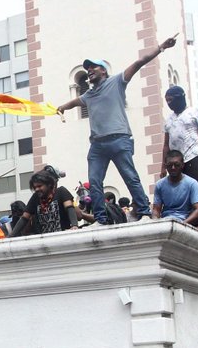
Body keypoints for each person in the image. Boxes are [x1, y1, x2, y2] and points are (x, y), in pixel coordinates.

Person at [55, 34, 178, 224]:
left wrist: (161, 47)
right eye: (87, 69)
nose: (89, 71)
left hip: (119, 139)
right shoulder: (89, 94)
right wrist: (62, 107)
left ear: (103, 71)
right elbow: (74, 102)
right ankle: (100, 219)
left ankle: (144, 212)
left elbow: (139, 62)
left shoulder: (117, 81)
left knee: (130, 177)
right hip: (97, 145)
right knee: (94, 183)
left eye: (93, 67)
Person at [161, 85, 198, 229]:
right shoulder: (168, 120)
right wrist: (163, 166)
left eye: (171, 100)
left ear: (180, 97)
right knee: (178, 191)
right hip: (175, 161)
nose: (169, 103)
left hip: (192, 156)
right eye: (166, 101)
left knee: (197, 189)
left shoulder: (195, 112)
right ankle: (183, 219)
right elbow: (166, 145)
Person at [11, 167, 78, 236]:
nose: (37, 189)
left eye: (39, 186)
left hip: (62, 237)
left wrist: (74, 225)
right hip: (44, 241)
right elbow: (24, 218)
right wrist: (11, 235)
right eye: (35, 187)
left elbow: (69, 208)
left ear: (49, 184)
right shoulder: (35, 197)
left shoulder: (61, 192)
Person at [152, 150, 198, 226]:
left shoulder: (192, 183)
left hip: (185, 222)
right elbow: (156, 209)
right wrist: (155, 222)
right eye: (170, 165)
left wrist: (183, 224)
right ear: (166, 165)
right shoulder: (159, 184)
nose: (173, 168)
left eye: (176, 165)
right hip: (165, 222)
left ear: (182, 165)